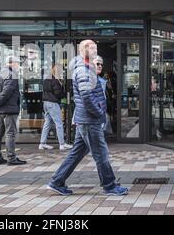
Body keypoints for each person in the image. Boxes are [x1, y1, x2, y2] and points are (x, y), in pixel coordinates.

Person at [47, 40, 128, 196]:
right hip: (89, 120)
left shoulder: (87, 67)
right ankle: (109, 186)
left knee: (77, 152)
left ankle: (56, 181)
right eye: (91, 48)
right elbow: (86, 96)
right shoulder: (83, 70)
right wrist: (99, 112)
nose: (95, 50)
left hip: (85, 119)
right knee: (101, 153)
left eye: (96, 48)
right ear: (83, 50)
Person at [0, 56, 27, 166]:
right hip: (8, 109)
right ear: (12, 63)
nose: (19, 66)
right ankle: (11, 158)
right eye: (18, 64)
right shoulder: (12, 75)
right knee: (10, 133)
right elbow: (6, 93)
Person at [39, 64, 73, 151]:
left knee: (47, 123)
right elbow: (58, 93)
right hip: (53, 103)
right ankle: (62, 144)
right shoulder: (55, 80)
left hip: (45, 103)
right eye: (61, 71)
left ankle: (42, 144)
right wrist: (64, 91)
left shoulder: (47, 78)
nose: (62, 73)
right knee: (59, 124)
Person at [93, 56, 113, 139]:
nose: (100, 66)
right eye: (98, 64)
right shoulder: (87, 78)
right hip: (91, 115)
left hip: (98, 112)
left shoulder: (101, 81)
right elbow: (85, 98)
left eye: (101, 64)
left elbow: (103, 96)